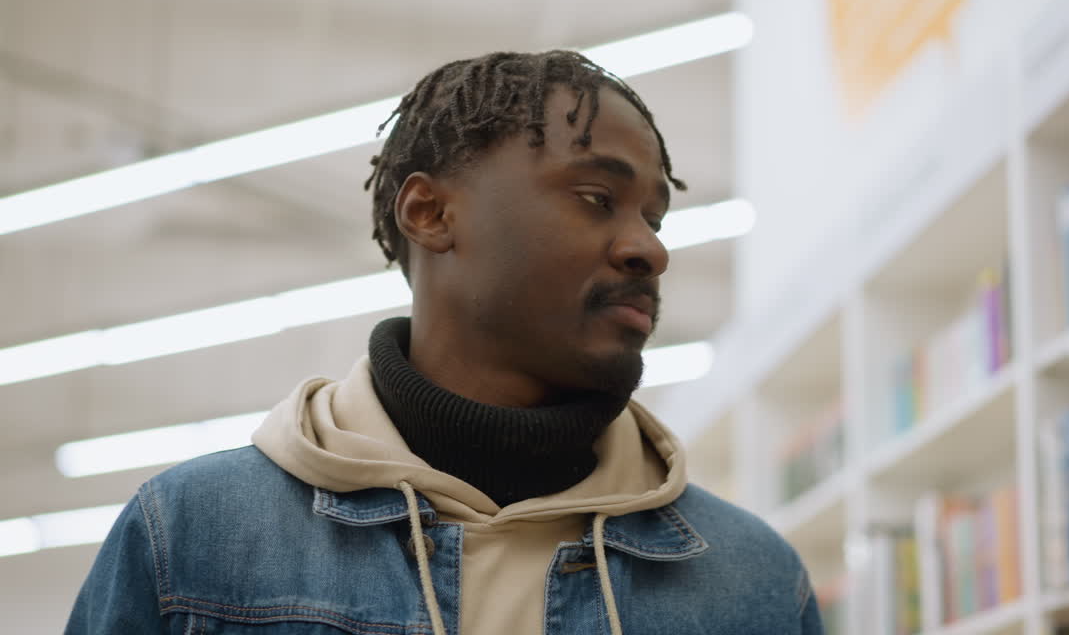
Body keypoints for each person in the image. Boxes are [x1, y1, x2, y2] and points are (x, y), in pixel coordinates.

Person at [66, 51, 823, 634]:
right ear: (429, 213)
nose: (648, 251)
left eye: (654, 219)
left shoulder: (748, 580)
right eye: (597, 199)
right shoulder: (198, 539)